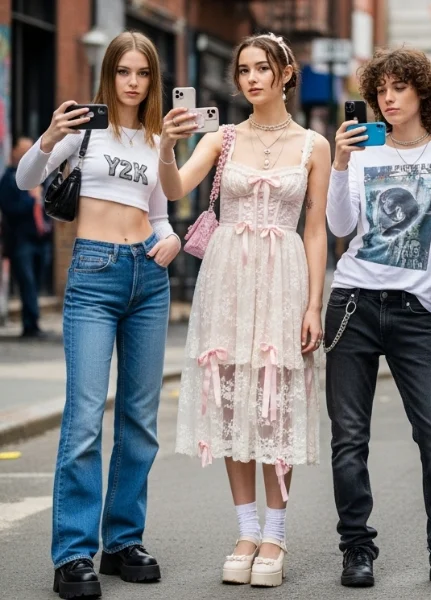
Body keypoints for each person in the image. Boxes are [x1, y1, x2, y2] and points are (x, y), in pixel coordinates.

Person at [15, 31, 180, 599]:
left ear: (152, 81)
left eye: (142, 74)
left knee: (140, 421)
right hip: (93, 273)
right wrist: (49, 136)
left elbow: (159, 213)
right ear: (108, 75)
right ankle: (73, 555)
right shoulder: (84, 130)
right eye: (123, 71)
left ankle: (123, 542)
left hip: (148, 279)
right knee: (85, 419)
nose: (133, 82)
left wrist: (173, 239)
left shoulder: (157, 136)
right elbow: (25, 180)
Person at [161, 33, 329, 588]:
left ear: (285, 72)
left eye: (262, 68)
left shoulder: (314, 145)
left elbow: (314, 229)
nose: (252, 78)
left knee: (274, 404)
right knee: (233, 401)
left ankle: (276, 535)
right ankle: (246, 530)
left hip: (284, 278)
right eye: (243, 70)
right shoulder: (224, 138)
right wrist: (166, 145)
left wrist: (313, 305)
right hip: (228, 278)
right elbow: (177, 186)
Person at [325, 47, 431, 591]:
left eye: (399, 88)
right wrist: (341, 163)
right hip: (353, 302)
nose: (388, 99)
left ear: (423, 91)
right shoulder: (364, 149)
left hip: (417, 313)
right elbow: (340, 225)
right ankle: (356, 549)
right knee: (349, 436)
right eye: (381, 91)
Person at [1, 136, 51, 337]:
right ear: (14, 152)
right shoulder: (9, 179)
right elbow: (9, 208)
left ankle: (32, 322)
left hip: (41, 239)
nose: (25, 153)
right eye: (22, 150)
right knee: (27, 282)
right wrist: (32, 200)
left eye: (29, 149)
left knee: (37, 283)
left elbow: (50, 203)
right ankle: (30, 325)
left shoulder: (41, 177)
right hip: (21, 241)